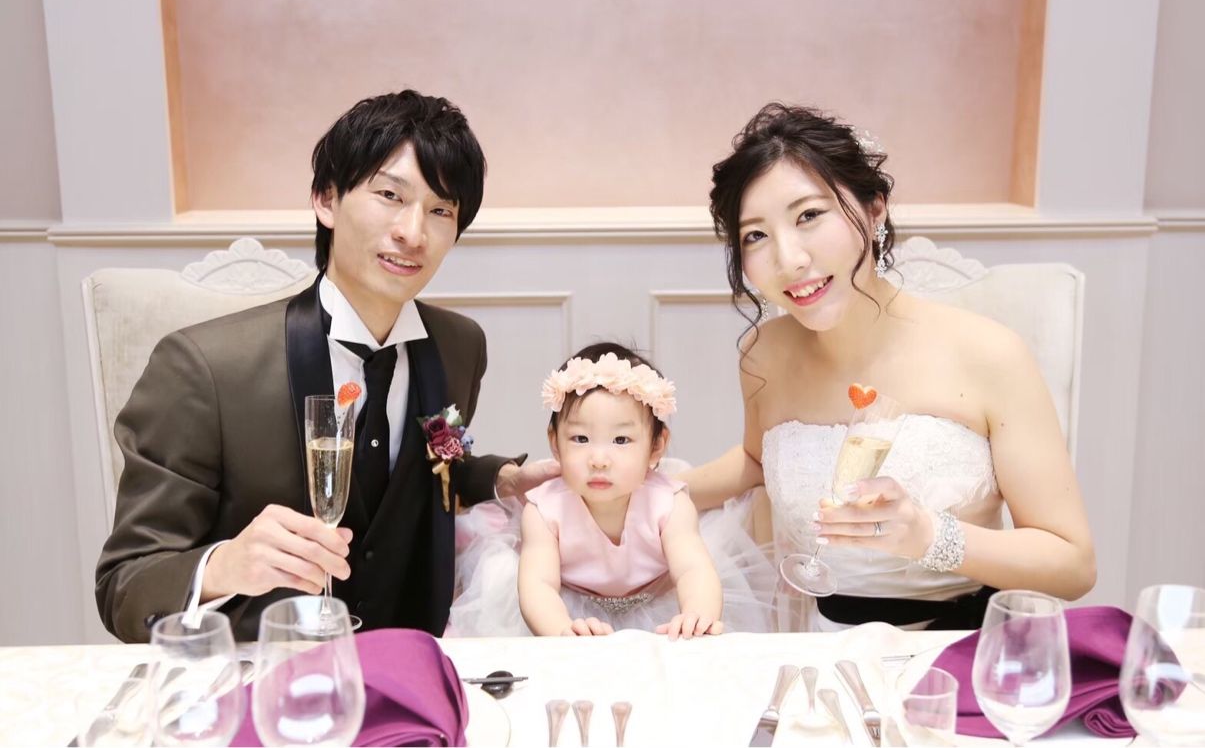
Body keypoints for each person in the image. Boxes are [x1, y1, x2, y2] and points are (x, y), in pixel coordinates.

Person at [95, 90, 558, 642]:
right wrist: (224, 565)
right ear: (326, 199)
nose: (413, 233)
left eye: (441, 210)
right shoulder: (205, 369)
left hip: (416, 663)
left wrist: (497, 479)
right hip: (268, 671)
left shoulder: (460, 346)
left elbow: (431, 463)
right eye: (390, 195)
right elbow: (125, 586)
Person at [683, 103, 1096, 631]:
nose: (790, 259)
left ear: (874, 209)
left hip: (954, 650)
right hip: (820, 647)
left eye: (808, 216)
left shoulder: (989, 354)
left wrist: (929, 536)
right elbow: (757, 459)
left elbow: (1073, 565)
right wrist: (639, 486)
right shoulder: (763, 354)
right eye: (755, 236)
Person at [446, 343, 775, 638]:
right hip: (568, 608)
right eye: (580, 439)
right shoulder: (543, 509)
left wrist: (697, 613)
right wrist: (561, 629)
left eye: (621, 440)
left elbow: (693, 568)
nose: (599, 459)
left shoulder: (670, 503)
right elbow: (538, 584)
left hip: (657, 602)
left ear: (656, 447)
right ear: (555, 443)